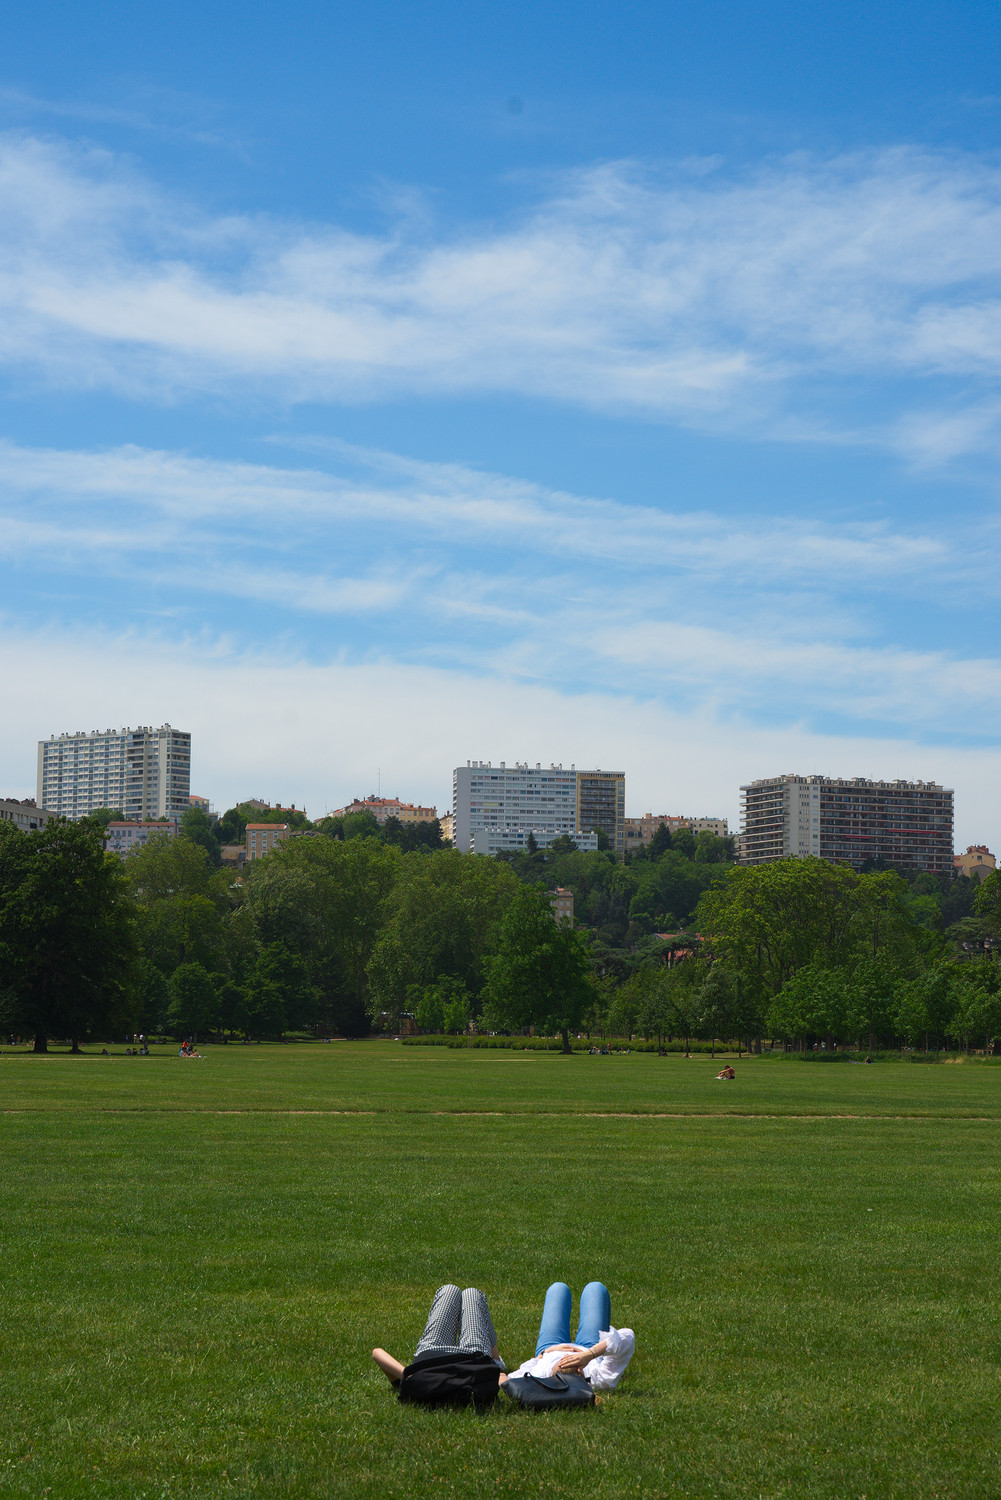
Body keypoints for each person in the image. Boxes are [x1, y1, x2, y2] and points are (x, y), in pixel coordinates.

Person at [372, 1284, 505, 1402]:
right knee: (470, 1293)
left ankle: (496, 1359)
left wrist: (408, 1376)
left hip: (459, 1354)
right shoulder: (419, 1383)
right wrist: (408, 1376)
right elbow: (377, 1353)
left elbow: (377, 1353)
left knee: (458, 1291)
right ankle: (496, 1359)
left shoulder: (468, 1382)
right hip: (450, 1354)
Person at [506, 1281, 634, 1392]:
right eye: (572, 1360)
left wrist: (544, 1353)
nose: (569, 1355)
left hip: (551, 1347)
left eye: (562, 1362)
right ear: (580, 1370)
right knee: (595, 1289)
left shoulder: (540, 1376)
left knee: (557, 1289)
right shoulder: (599, 1379)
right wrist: (588, 1355)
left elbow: (507, 1378)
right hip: (591, 1346)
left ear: (551, 1374)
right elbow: (627, 1336)